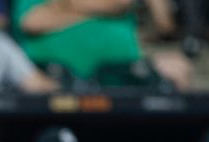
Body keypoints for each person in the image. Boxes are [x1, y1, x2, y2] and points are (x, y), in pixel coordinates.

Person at [13, 0, 191, 90]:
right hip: (57, 76)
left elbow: (164, 24)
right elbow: (30, 21)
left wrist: (63, 7)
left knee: (177, 68)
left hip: (125, 73)